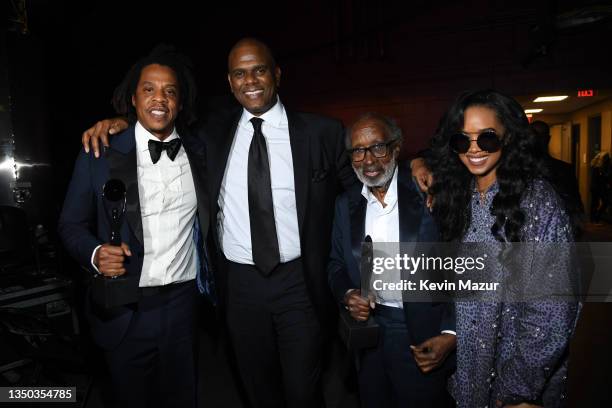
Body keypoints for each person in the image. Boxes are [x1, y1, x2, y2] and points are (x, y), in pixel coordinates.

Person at [80, 38, 357, 408]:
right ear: (230, 82)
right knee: (258, 391)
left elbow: (363, 190)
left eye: (259, 70)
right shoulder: (211, 134)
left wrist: (412, 170)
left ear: (276, 74)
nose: (250, 81)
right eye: (240, 74)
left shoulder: (322, 133)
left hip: (300, 285)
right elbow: (159, 118)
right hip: (239, 288)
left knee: (303, 392)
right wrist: (121, 123)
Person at [59, 48, 213, 408]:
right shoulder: (98, 151)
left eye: (170, 91)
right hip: (125, 311)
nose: (160, 98)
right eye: (149, 89)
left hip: (183, 308)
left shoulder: (202, 152)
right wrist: (96, 254)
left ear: (180, 101)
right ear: (133, 97)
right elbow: (70, 224)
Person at [426, 89, 581, 408]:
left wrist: (518, 390)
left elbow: (552, 310)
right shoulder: (459, 199)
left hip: (515, 386)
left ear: (509, 138)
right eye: (462, 139)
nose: (473, 150)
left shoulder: (537, 201)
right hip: (466, 375)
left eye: (487, 138)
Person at [327, 113, 456, 408]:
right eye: (358, 150)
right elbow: (335, 264)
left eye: (378, 147)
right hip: (368, 332)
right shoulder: (346, 205)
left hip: (420, 333)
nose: (368, 159)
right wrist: (348, 294)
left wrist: (452, 333)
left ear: (396, 148)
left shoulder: (428, 192)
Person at [530, 120, 584, 232]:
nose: (538, 140)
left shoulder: (565, 169)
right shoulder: (518, 169)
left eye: (541, 136)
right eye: (535, 136)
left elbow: (575, 204)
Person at [589, 151, 611, 223]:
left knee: (596, 202)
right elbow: (600, 179)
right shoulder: (598, 167)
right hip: (597, 187)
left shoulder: (597, 166)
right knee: (600, 202)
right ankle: (595, 218)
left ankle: (595, 218)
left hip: (596, 187)